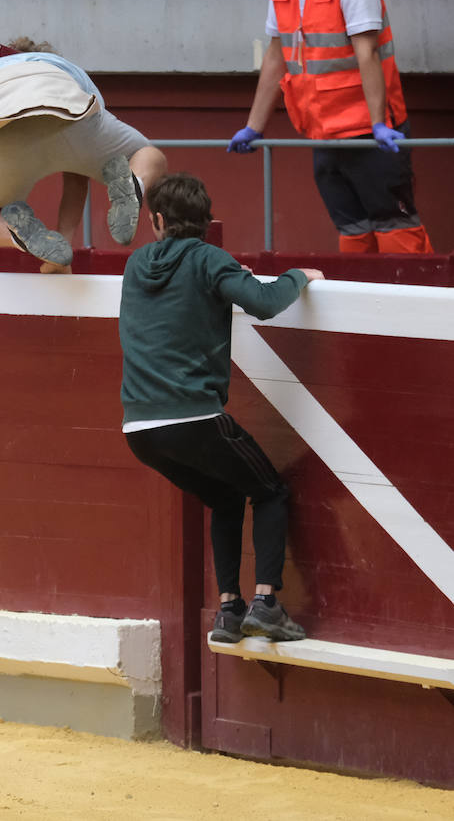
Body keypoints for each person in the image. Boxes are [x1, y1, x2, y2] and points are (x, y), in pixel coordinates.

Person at [119, 173, 324, 643]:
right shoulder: (210, 258)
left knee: (225, 497)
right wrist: (298, 276)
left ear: (157, 220)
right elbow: (265, 303)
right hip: (192, 417)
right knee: (269, 492)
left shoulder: (135, 266)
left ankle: (229, 609)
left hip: (139, 428)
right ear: (208, 223)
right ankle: (267, 603)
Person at [228, 0, 432, 254]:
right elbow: (278, 52)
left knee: (395, 228)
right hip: (323, 132)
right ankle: (358, 293)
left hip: (371, 133)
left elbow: (368, 52)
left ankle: (413, 294)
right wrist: (254, 126)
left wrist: (378, 123)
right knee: (352, 231)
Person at [0, 38, 167, 275]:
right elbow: (78, 177)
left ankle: (18, 235)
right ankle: (134, 184)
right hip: (67, 110)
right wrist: (64, 246)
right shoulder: (65, 67)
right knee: (147, 155)